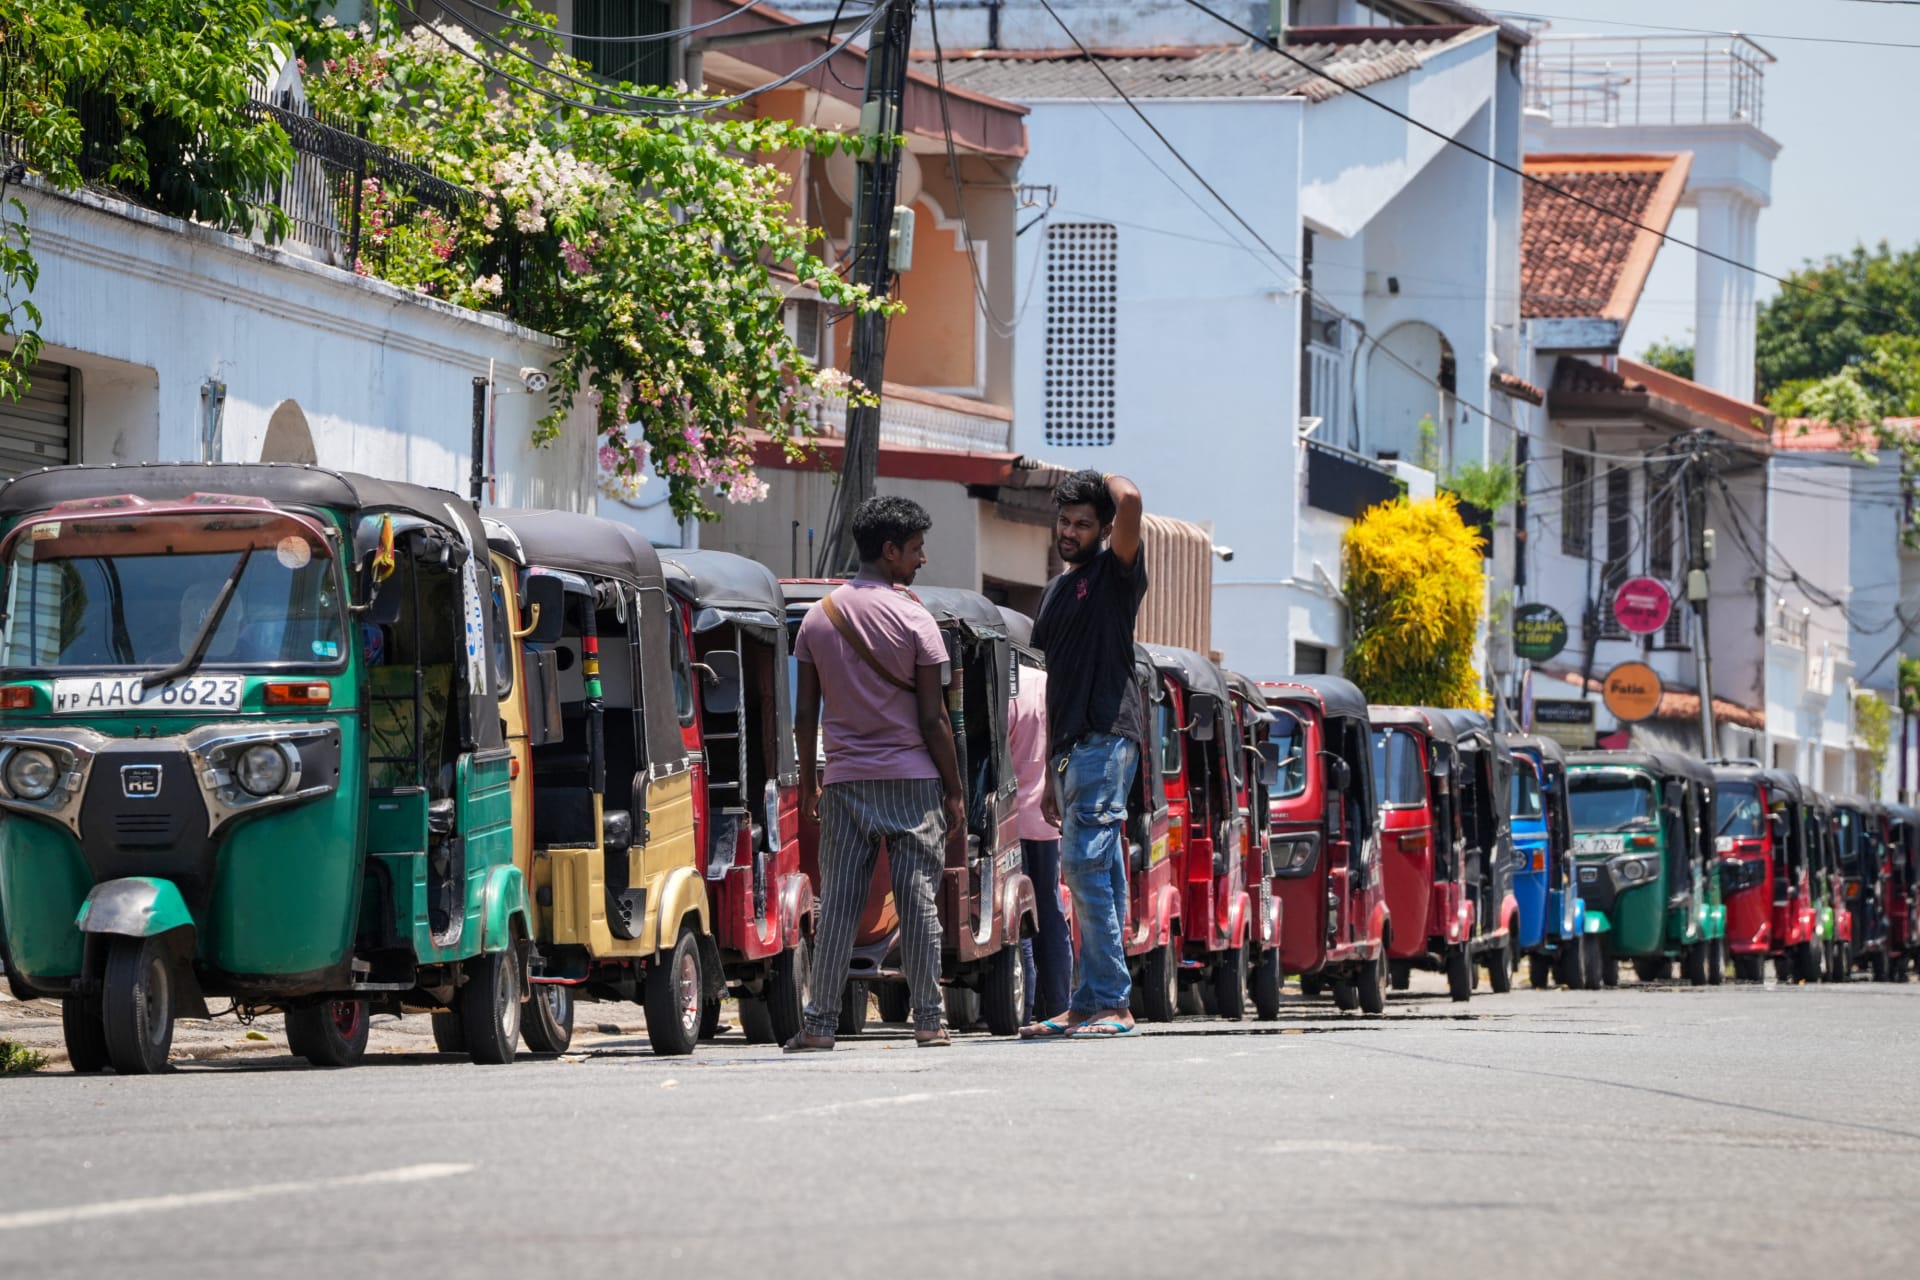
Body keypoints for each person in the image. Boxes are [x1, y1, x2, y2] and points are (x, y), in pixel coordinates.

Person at [784, 496, 967, 1052]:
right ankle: (929, 1021)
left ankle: (818, 1027)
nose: (921, 560)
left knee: (838, 901)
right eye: (914, 550)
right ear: (890, 552)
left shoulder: (819, 617)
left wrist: (812, 784)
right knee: (917, 899)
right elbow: (934, 717)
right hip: (913, 781)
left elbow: (805, 714)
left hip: (844, 781)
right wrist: (955, 791)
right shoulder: (917, 619)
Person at [1022, 469, 1146, 1040]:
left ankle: (1114, 1004)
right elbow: (1055, 684)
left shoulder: (1115, 574)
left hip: (1107, 732)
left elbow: (1132, 500)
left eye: (1083, 524)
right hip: (1074, 746)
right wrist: (1049, 770)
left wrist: (1100, 479)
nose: (1070, 532)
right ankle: (1089, 1000)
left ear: (1103, 530)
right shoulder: (1055, 591)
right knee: (1101, 874)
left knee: (1084, 866)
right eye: (1065, 521)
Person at [1009, 651, 1072, 1027]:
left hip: (1010, 821)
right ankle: (1060, 1003)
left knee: (1019, 914)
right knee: (1050, 909)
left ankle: (1025, 1002)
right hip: (1049, 820)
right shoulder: (1052, 686)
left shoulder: (1007, 686)